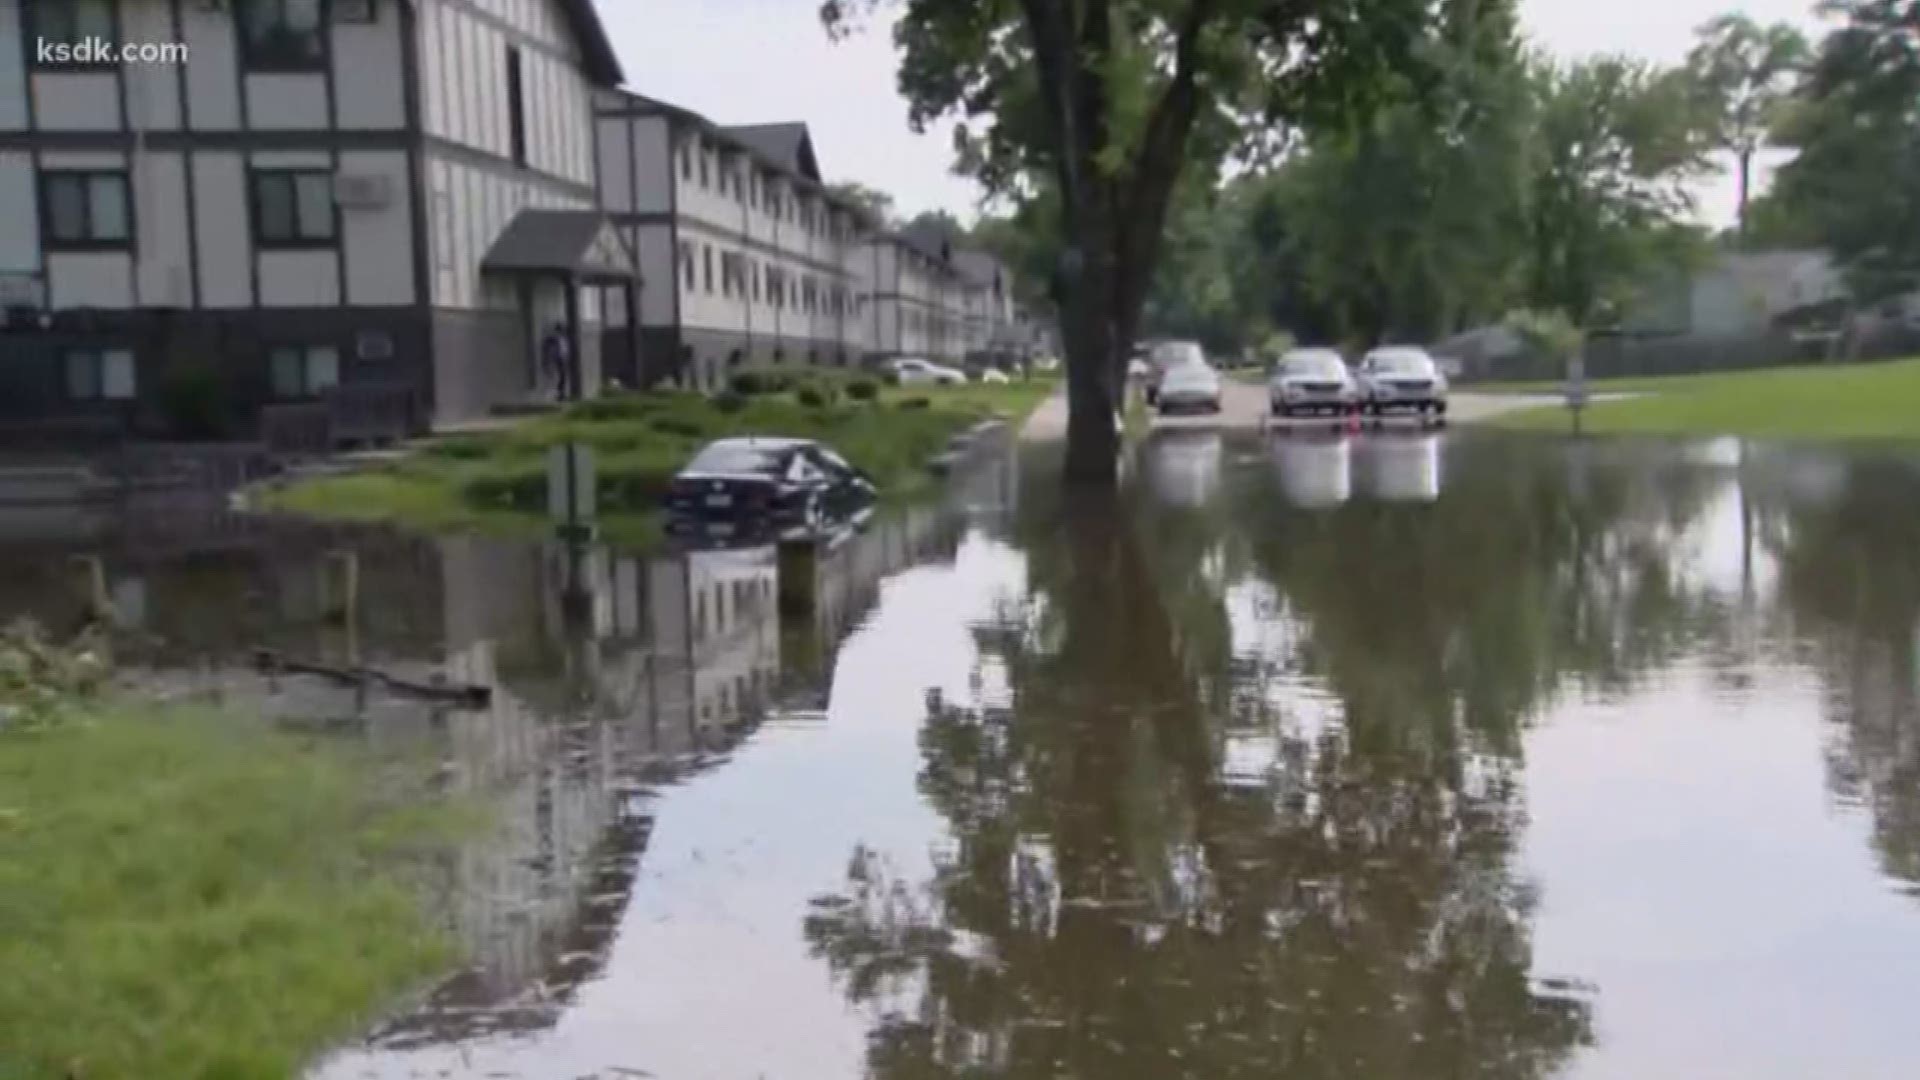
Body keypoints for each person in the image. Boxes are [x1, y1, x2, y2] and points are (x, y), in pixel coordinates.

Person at [541, 322, 571, 400]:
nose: (562, 332)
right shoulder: (552, 338)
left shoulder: (565, 338)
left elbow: (566, 348)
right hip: (557, 359)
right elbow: (546, 346)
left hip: (564, 359)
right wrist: (548, 359)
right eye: (560, 330)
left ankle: (561, 394)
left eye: (562, 330)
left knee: (563, 377)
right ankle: (558, 394)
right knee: (559, 377)